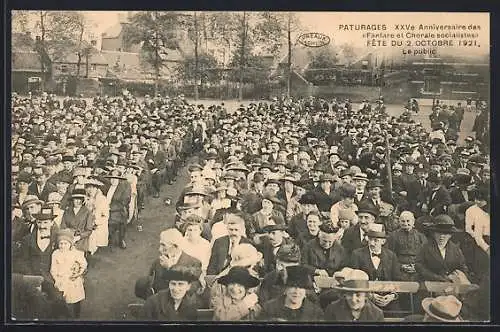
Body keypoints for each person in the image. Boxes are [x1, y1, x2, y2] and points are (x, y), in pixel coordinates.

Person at [135, 228, 202, 300]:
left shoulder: (194, 263)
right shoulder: (157, 263)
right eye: (160, 245)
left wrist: (171, 268)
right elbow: (151, 288)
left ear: (176, 247)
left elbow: (191, 290)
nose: (160, 249)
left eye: (164, 245)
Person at [349, 223, 401, 311]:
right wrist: (369, 295)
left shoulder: (391, 256)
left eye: (376, 240)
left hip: (388, 300)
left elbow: (398, 279)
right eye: (370, 239)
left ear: (383, 241)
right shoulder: (357, 254)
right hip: (364, 298)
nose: (372, 243)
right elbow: (354, 280)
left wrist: (392, 296)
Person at [415, 215, 470, 282]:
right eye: (439, 233)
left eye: (445, 234)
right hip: (430, 284)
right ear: (434, 233)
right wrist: (438, 278)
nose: (442, 236)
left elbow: (463, 267)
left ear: (450, 235)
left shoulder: (455, 249)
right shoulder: (425, 247)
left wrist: (456, 276)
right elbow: (419, 267)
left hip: (451, 285)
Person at [260, 265, 324, 322]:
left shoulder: (315, 313)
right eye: (293, 286)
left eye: (301, 287)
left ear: (306, 290)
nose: (296, 291)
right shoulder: (269, 309)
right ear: (285, 288)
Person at [50, 229, 87, 319]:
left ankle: (76, 315)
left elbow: (83, 264)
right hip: (61, 279)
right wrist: (56, 279)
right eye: (61, 244)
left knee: (75, 298)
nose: (63, 246)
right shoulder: (55, 254)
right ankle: (64, 314)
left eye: (65, 243)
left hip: (72, 279)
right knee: (62, 299)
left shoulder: (75, 253)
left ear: (70, 244)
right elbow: (53, 269)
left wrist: (78, 273)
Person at [60, 189, 95, 255]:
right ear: (72, 200)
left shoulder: (87, 212)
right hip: (67, 239)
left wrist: (78, 237)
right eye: (75, 199)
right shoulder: (67, 211)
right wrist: (68, 236)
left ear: (83, 200)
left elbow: (88, 230)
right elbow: (63, 226)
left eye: (80, 199)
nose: (77, 201)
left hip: (81, 241)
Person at [103, 169, 131, 249]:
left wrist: (110, 208)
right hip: (106, 208)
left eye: (115, 178)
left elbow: (124, 201)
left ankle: (121, 239)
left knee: (114, 221)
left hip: (118, 210)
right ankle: (108, 237)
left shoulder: (124, 187)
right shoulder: (107, 186)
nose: (113, 180)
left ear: (119, 179)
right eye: (111, 178)